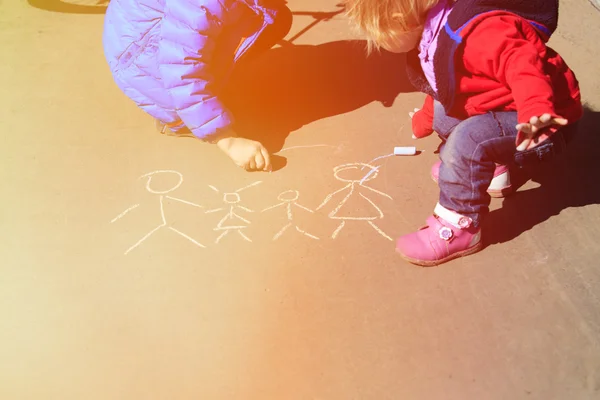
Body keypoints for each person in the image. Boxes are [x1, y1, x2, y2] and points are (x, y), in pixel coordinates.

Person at [344, 0, 583, 266]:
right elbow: (445, 85)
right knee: (446, 117)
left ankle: (459, 228)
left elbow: (523, 65)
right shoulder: (436, 29)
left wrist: (536, 111)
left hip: (544, 124)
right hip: (512, 111)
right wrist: (425, 119)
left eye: (378, 37)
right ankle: (489, 172)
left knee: (469, 138)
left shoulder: (479, 31)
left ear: (401, 20)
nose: (378, 45)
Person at [102, 0, 292, 171]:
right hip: (148, 68)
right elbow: (180, 67)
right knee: (263, 16)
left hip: (149, 36)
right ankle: (179, 117)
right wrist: (228, 141)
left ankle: (208, 94)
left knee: (275, 15)